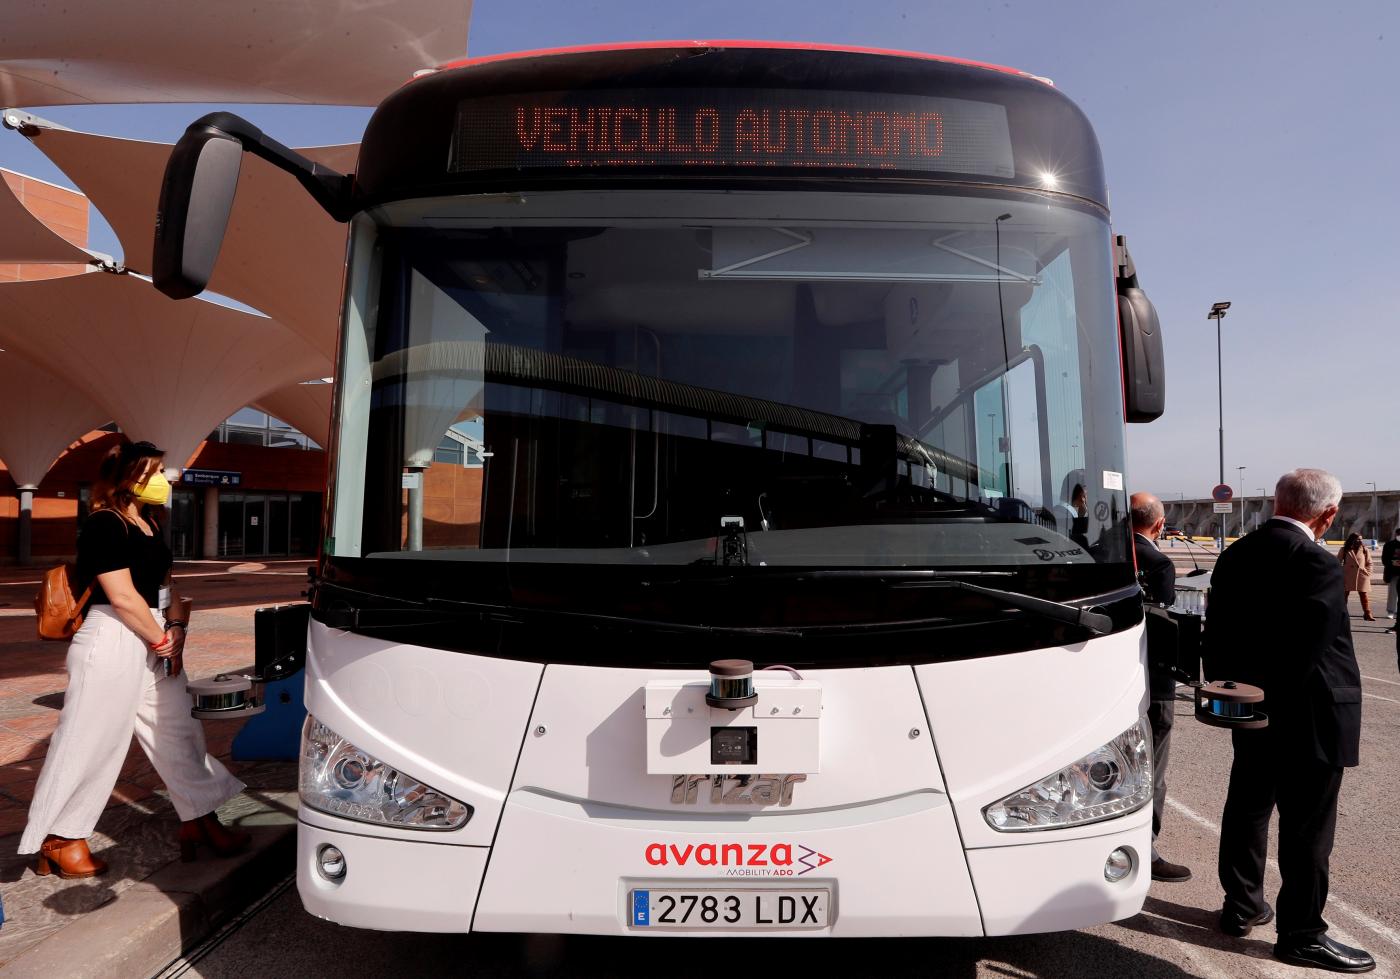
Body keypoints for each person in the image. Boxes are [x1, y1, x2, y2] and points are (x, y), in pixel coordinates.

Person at [19, 439, 249, 877]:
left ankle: (200, 817)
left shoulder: (150, 523)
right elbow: (122, 596)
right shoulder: (104, 524)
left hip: (155, 633)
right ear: (129, 477)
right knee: (92, 737)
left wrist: (176, 628)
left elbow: (165, 586)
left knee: (179, 731)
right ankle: (60, 837)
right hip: (113, 636)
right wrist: (161, 640)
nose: (164, 479)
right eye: (155, 471)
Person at [1206, 468, 1373, 973]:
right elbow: (1307, 651)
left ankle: (1242, 906)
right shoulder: (1317, 562)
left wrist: (1236, 698)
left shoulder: (1236, 554)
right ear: (1328, 514)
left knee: (1248, 808)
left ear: (1278, 502)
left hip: (1252, 710)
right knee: (1307, 829)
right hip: (1310, 717)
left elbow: (1218, 633)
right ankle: (1302, 933)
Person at [1130, 491, 1191, 883]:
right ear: (1158, 524)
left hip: (1112, 676)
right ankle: (1146, 849)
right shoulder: (1158, 562)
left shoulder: (1104, 555)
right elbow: (1164, 620)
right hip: (1155, 677)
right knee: (1153, 767)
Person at [1339, 533, 1376, 622]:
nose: (1360, 541)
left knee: (1363, 595)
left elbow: (1370, 563)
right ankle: (1342, 613)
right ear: (1352, 539)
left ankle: (1367, 613)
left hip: (1361, 575)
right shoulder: (1344, 549)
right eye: (1358, 539)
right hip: (1347, 575)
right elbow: (1338, 561)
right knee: (1344, 595)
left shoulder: (1364, 549)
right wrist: (1342, 571)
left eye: (1361, 539)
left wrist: (1367, 572)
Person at [1381, 527, 1400, 622]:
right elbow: (1384, 559)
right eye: (1399, 534)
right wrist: (1393, 563)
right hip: (1393, 573)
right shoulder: (1389, 545)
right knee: (1392, 593)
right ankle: (1391, 611)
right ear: (1396, 534)